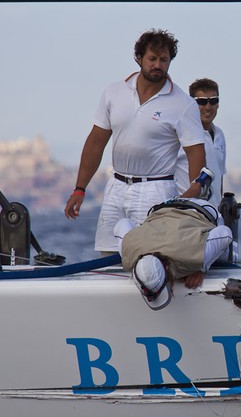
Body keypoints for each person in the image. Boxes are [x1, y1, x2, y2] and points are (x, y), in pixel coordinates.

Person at [64, 29, 207, 253]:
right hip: (116, 186)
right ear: (139, 58)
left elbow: (196, 152)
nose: (157, 65)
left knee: (149, 257)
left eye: (164, 60)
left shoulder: (183, 104)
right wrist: (80, 189)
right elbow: (95, 142)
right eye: (152, 59)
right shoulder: (114, 92)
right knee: (107, 256)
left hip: (157, 189)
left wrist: (194, 193)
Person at [115, 197, 233, 310]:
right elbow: (122, 224)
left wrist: (203, 265)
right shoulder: (128, 250)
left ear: (167, 267)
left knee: (223, 255)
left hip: (201, 210)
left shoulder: (191, 256)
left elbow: (226, 234)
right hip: (163, 207)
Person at [175, 78, 227, 209]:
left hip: (213, 213)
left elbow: (219, 178)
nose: (208, 107)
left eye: (213, 101)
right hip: (188, 210)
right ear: (192, 104)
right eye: (202, 102)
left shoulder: (220, 135)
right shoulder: (181, 136)